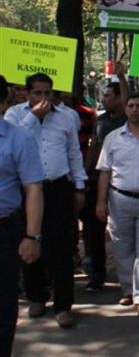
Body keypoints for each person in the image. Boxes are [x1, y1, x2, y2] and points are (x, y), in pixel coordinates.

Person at [5, 73, 87, 329]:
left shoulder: (66, 117)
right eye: (37, 93)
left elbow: (74, 153)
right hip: (26, 190)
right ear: (27, 94)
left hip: (58, 188)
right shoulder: (16, 116)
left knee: (62, 247)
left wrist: (80, 186)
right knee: (30, 243)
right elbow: (11, 139)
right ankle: (37, 297)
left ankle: (63, 306)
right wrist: (34, 118)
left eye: (47, 93)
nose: (43, 98)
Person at [95, 92, 139, 317]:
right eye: (131, 106)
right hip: (120, 199)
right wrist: (100, 201)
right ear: (126, 109)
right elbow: (105, 171)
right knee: (122, 247)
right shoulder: (113, 137)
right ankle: (128, 289)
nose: (134, 109)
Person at [0, 75, 44, 357]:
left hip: (6, 231)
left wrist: (31, 236)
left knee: (3, 303)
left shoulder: (19, 138)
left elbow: (33, 189)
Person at [83, 82, 127, 293]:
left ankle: (129, 277)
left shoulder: (128, 119)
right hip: (97, 178)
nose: (104, 99)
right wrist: (85, 172)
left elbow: (128, 98)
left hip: (121, 181)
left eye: (108, 95)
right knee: (94, 230)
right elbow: (94, 145)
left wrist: (121, 76)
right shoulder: (100, 121)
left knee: (124, 231)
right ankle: (97, 273)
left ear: (119, 98)